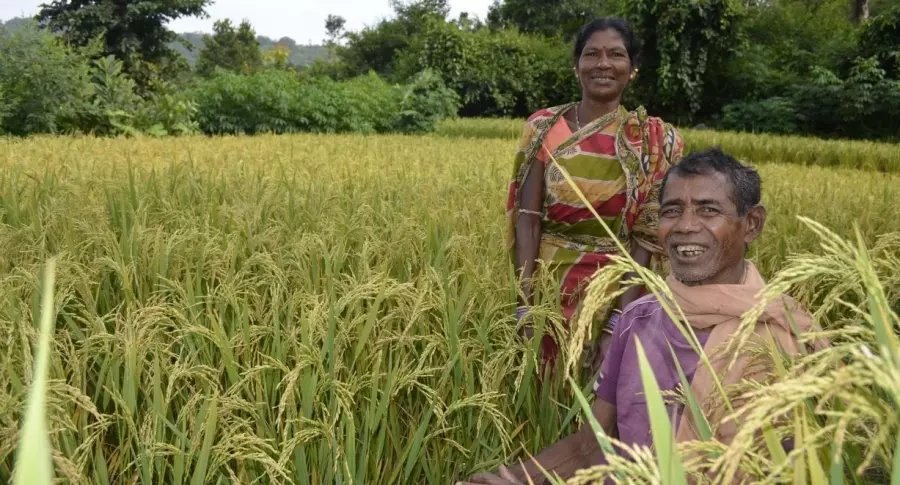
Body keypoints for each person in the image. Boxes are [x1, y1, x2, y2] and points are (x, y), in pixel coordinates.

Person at [463, 148, 825, 485]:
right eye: (671, 211)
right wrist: (509, 479)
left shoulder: (789, 335)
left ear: (752, 224)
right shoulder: (638, 320)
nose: (685, 225)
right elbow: (595, 445)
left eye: (708, 210)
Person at [507, 17, 684, 372]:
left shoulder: (652, 140)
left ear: (632, 69)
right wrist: (526, 305)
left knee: (608, 395)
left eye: (616, 55)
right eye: (592, 54)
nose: (603, 64)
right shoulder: (543, 128)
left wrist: (619, 319)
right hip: (549, 285)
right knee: (540, 389)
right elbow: (527, 222)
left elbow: (646, 240)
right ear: (577, 66)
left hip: (621, 286)